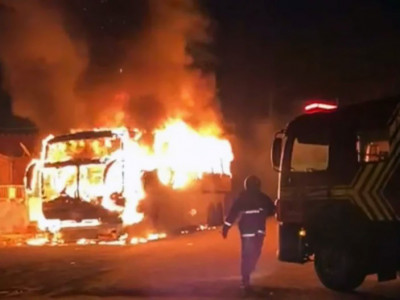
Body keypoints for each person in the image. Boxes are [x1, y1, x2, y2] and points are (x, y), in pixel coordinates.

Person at [222, 175, 275, 291]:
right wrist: (264, 213)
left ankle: (245, 278)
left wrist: (226, 227)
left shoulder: (242, 198)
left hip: (246, 231)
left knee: (246, 255)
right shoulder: (263, 197)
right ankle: (249, 270)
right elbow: (272, 209)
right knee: (256, 252)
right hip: (258, 231)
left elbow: (233, 213)